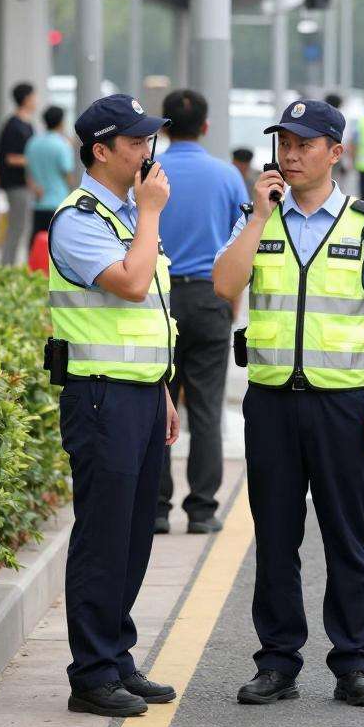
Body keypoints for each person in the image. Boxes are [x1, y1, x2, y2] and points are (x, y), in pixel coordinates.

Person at [214, 99, 364, 709]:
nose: (289, 155)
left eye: (303, 144)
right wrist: (256, 219)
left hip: (342, 406)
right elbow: (224, 286)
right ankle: (277, 661)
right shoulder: (259, 217)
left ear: (334, 152)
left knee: (346, 536)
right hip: (270, 403)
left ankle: (353, 662)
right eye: (283, 144)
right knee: (274, 536)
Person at [47, 93, 180, 718]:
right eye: (135, 142)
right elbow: (130, 286)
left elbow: (152, 314)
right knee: (103, 536)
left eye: (149, 139)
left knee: (133, 536)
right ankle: (92, 673)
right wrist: (151, 214)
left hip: (139, 394)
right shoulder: (79, 218)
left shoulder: (126, 213)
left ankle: (116, 657)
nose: (147, 151)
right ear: (101, 151)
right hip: (99, 398)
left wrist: (163, 389)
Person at [155, 89, 247, 536]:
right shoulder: (227, 175)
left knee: (158, 402)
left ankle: (156, 509)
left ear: (163, 127)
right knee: (207, 407)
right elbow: (240, 242)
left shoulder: (149, 174)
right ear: (206, 126)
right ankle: (202, 510)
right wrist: (232, 304)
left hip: (158, 299)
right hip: (211, 298)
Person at [0, 82, 38, 265]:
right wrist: (33, 160)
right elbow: (10, 158)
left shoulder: (26, 124)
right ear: (26, 99)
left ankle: (10, 264)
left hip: (25, 183)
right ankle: (7, 266)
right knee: (16, 227)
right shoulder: (14, 125)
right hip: (16, 184)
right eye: (34, 96)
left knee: (21, 226)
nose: (36, 100)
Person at [26, 105, 75, 236]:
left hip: (38, 203)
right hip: (58, 203)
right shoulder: (62, 144)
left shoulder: (32, 142)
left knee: (37, 245)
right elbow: (68, 174)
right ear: (61, 122)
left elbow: (28, 174)